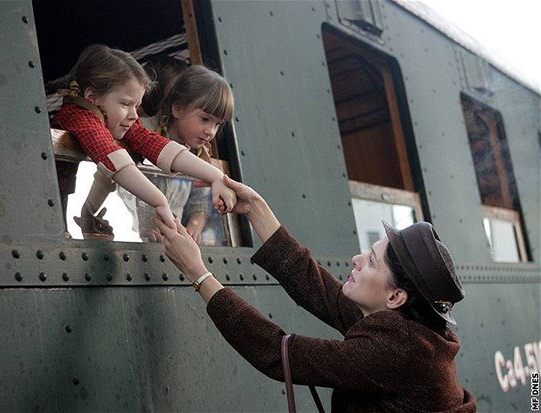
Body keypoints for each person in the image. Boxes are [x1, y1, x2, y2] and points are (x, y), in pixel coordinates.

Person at [155, 176, 477, 412]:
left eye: (371, 261)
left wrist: (198, 273)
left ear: (396, 297)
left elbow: (278, 353)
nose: (356, 259)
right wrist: (254, 207)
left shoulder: (396, 352)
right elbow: (314, 284)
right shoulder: (405, 328)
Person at [52, 44, 235, 235]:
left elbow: (154, 144)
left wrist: (216, 176)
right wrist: (159, 201)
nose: (134, 115)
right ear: (92, 97)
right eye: (126, 104)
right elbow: (112, 157)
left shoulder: (119, 118)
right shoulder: (79, 116)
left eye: (136, 105)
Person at [135, 63, 234, 243]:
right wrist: (140, 224)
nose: (210, 131)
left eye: (217, 124)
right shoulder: (142, 132)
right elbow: (123, 187)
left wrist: (194, 227)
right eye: (205, 119)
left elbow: (201, 198)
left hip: (171, 241)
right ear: (178, 109)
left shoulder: (199, 153)